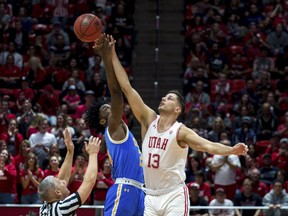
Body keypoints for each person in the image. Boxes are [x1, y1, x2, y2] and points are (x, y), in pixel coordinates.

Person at [107, 34, 248, 215]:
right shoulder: (148, 119)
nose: (164, 99)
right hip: (149, 195)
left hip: (173, 195)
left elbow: (206, 145)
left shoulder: (180, 132)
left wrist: (231, 150)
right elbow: (126, 87)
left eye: (170, 98)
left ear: (178, 110)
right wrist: (111, 53)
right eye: (164, 97)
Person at [84, 34, 145, 215]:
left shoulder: (118, 130)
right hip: (124, 189)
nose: (109, 106)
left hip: (139, 191)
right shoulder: (112, 127)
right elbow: (116, 92)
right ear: (103, 120)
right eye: (105, 108)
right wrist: (106, 58)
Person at [38, 128, 101, 216]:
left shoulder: (44, 207)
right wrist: (93, 154)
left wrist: (70, 151)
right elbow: (89, 182)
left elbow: (62, 178)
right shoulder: (62, 208)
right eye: (59, 182)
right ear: (58, 192)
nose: (62, 181)